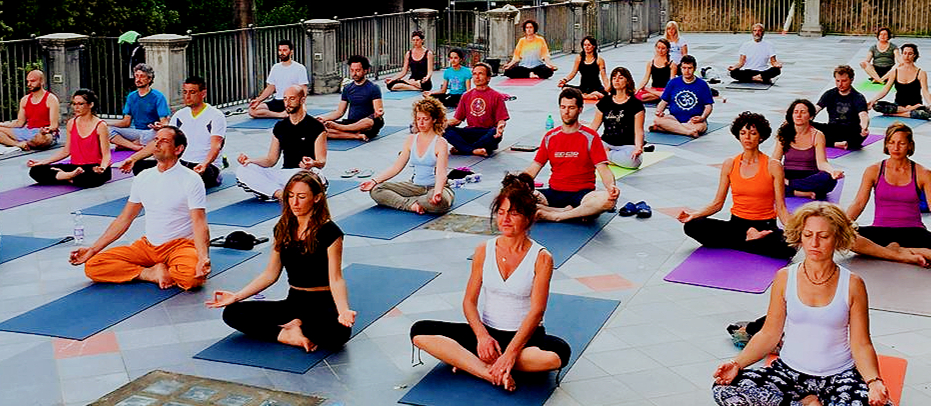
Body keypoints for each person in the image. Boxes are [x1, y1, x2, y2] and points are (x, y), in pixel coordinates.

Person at [712, 202, 893, 406]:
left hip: (839, 376)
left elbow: (861, 343)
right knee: (725, 390)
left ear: (837, 239)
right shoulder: (784, 277)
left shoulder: (853, 284)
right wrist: (737, 364)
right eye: (808, 235)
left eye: (823, 236)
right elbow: (769, 334)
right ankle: (806, 403)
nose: (814, 242)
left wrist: (874, 381)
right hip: (788, 373)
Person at [410, 173, 570, 392]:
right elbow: (469, 301)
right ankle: (489, 373)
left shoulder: (542, 257)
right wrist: (482, 337)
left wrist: (511, 353)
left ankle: (475, 363)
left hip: (524, 339)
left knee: (557, 355)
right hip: (487, 336)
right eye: (501, 213)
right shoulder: (483, 250)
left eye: (513, 214)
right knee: (420, 331)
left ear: (530, 218)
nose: (505, 220)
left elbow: (536, 312)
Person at [207, 171, 355, 352]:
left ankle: (296, 326)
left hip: (321, 303)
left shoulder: (330, 232)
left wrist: (343, 311)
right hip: (294, 302)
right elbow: (270, 274)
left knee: (337, 335)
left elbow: (336, 279)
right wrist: (237, 296)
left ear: (316, 198)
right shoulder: (283, 228)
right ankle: (287, 334)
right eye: (291, 196)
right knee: (232, 313)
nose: (294, 203)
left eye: (301, 197)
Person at [69, 126, 211, 290]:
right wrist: (92, 249)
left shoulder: (191, 179)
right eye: (156, 140)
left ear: (178, 149)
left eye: (164, 141)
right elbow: (125, 218)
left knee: (193, 279)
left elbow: (199, 223)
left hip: (180, 246)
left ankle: (168, 268)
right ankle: (150, 273)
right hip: (148, 247)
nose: (157, 144)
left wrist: (202, 257)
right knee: (94, 265)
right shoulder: (144, 177)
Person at [678, 112, 797, 259]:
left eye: (752, 133)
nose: (747, 137)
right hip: (736, 226)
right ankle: (750, 238)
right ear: (738, 135)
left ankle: (740, 241)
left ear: (760, 137)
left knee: (789, 246)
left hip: (764, 226)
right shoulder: (730, 163)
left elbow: (781, 208)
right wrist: (693, 215)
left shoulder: (773, 165)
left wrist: (795, 230)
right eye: (743, 133)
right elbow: (717, 203)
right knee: (692, 226)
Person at [523, 88, 620, 222]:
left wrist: (611, 187)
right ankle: (570, 212)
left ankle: (556, 215)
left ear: (580, 109)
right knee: (514, 198)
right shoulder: (550, 137)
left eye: (571, 107)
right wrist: (518, 185)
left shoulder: (590, 137)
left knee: (608, 201)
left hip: (582, 195)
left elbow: (603, 169)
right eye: (563, 107)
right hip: (553, 193)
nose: (566, 112)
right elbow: (534, 167)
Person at [119, 76, 226, 188]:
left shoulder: (216, 116)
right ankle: (171, 181)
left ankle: (170, 181)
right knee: (139, 166)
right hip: (181, 164)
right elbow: (160, 142)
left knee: (199, 176)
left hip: (205, 166)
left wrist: (204, 164)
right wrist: (133, 158)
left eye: (192, 92)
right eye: (185, 92)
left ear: (203, 93)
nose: (187, 96)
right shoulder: (179, 115)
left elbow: (216, 146)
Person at [359, 98, 454, 214]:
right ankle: (411, 205)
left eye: (425, 119)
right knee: (376, 190)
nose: (421, 123)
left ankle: (416, 202)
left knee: (440, 204)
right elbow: (396, 167)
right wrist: (374, 181)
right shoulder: (411, 140)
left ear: (434, 120)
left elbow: (441, 173)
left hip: (437, 187)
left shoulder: (440, 142)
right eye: (418, 119)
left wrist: (438, 192)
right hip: (414, 187)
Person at [846, 123, 931, 252]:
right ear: (886, 144)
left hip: (913, 232)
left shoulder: (923, 173)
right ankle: (903, 253)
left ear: (909, 145)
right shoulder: (873, 170)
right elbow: (859, 203)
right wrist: (840, 226)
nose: (895, 148)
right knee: (844, 237)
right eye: (891, 142)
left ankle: (887, 251)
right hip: (880, 232)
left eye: (901, 143)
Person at [236, 85, 328, 201]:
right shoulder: (280, 126)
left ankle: (283, 191)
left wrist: (312, 163)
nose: (287, 102)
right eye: (285, 99)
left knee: (314, 175)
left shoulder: (316, 127)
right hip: (284, 175)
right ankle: (280, 194)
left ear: (302, 100)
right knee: (243, 169)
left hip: (305, 173)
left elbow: (322, 161)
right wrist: (250, 161)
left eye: (292, 99)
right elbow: (271, 160)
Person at [27, 89, 112, 188]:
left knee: (88, 178)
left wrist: (102, 168)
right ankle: (69, 176)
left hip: (94, 167)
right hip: (75, 167)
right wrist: (42, 162)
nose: (76, 107)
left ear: (90, 105)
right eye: (74, 104)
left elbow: (106, 155)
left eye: (80, 104)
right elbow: (66, 151)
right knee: (36, 171)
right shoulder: (71, 123)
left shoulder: (101, 125)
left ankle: (64, 176)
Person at [772, 99, 844, 200]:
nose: (798, 115)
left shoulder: (817, 135)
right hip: (788, 173)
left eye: (803, 112)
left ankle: (791, 188)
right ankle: (800, 192)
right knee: (765, 179)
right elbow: (775, 161)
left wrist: (832, 172)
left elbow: (822, 163)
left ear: (810, 116)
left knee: (827, 179)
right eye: (795, 112)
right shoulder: (784, 133)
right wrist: (777, 175)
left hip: (809, 175)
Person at [444, 62, 509, 157]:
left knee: (494, 133)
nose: (477, 77)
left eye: (480, 74)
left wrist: (500, 127)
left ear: (488, 78)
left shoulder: (497, 96)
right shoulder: (466, 95)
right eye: (474, 74)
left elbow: (501, 120)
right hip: (470, 132)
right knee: (444, 130)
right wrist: (440, 124)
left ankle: (463, 149)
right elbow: (457, 120)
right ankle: (474, 150)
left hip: (487, 133)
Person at [317, 55, 385, 141]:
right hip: (351, 122)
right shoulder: (347, 88)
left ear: (365, 71)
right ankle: (355, 135)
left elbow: (377, 111)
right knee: (318, 130)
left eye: (357, 70)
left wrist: (379, 113)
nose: (354, 74)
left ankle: (343, 129)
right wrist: (323, 119)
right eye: (352, 70)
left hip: (366, 124)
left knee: (369, 122)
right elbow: (340, 112)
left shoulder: (373, 88)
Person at [589, 67, 646, 169]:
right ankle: (609, 157)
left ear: (627, 81)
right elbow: (594, 126)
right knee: (585, 150)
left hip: (627, 145)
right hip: (606, 143)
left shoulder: (636, 104)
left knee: (634, 162)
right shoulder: (605, 102)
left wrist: (638, 147)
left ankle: (605, 156)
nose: (616, 80)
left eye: (620, 78)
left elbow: (639, 131)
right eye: (614, 78)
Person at [107, 63, 171, 151]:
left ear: (149, 79)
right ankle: (134, 145)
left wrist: (159, 126)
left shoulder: (158, 97)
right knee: (107, 131)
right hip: (135, 131)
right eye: (136, 76)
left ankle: (127, 144)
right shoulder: (131, 96)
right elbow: (126, 122)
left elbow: (164, 122)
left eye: (142, 76)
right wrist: (106, 124)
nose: (138, 79)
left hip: (150, 132)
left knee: (158, 135)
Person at [652, 55, 714, 137]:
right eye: (684, 68)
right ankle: (688, 132)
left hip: (693, 121)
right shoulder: (673, 82)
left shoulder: (702, 84)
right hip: (674, 118)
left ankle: (669, 129)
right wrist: (659, 111)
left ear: (694, 68)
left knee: (700, 127)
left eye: (689, 68)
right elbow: (663, 101)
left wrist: (702, 117)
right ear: (680, 68)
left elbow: (708, 105)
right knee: (657, 120)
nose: (687, 71)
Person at [812, 65, 870, 150]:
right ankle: (836, 144)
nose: (840, 84)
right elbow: (816, 108)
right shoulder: (829, 94)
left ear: (851, 79)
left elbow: (863, 115)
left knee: (861, 134)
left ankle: (829, 143)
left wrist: (864, 126)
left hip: (850, 131)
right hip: (832, 129)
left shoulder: (858, 97)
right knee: (806, 126)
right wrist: (806, 118)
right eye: (837, 81)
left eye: (844, 81)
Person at [868, 44, 931, 120]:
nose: (906, 56)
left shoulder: (921, 73)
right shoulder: (895, 71)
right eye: (904, 53)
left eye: (910, 54)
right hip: (898, 106)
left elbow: (925, 91)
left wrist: (930, 104)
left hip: (916, 105)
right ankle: (907, 111)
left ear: (914, 55)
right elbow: (886, 89)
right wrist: (872, 100)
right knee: (877, 105)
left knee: (927, 113)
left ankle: (894, 114)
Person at [0, 70, 60, 150]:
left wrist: (45, 131)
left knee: (40, 139)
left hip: (44, 133)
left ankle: (26, 142)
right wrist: (2, 124)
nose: (29, 84)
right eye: (28, 81)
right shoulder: (25, 99)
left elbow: (54, 126)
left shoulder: (51, 99)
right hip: (27, 131)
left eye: (32, 81)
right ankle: (19, 144)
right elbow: (19, 123)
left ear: (42, 81)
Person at [249, 40, 309, 119]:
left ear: (291, 52)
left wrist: (301, 103)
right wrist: (258, 100)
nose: (282, 53)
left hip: (291, 101)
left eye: (284, 50)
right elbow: (271, 87)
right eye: (280, 50)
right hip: (278, 100)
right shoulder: (275, 67)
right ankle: (281, 115)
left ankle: (286, 113)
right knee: (252, 110)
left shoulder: (299, 68)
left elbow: (303, 88)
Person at [557, 36, 608, 101]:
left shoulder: (599, 60)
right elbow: (573, 72)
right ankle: (586, 96)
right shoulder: (579, 58)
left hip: (596, 87)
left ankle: (584, 95)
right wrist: (564, 80)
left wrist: (608, 88)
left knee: (602, 95)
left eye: (589, 45)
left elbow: (604, 77)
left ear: (594, 46)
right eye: (585, 45)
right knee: (565, 89)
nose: (586, 47)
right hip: (583, 87)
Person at [634, 38, 677, 103]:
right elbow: (645, 78)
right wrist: (638, 88)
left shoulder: (672, 64)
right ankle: (661, 97)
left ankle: (661, 96)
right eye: (658, 48)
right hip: (654, 88)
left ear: (667, 49)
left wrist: (648, 89)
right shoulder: (651, 62)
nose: (660, 50)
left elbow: (671, 82)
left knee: (667, 94)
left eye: (663, 48)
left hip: (665, 89)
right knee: (640, 96)